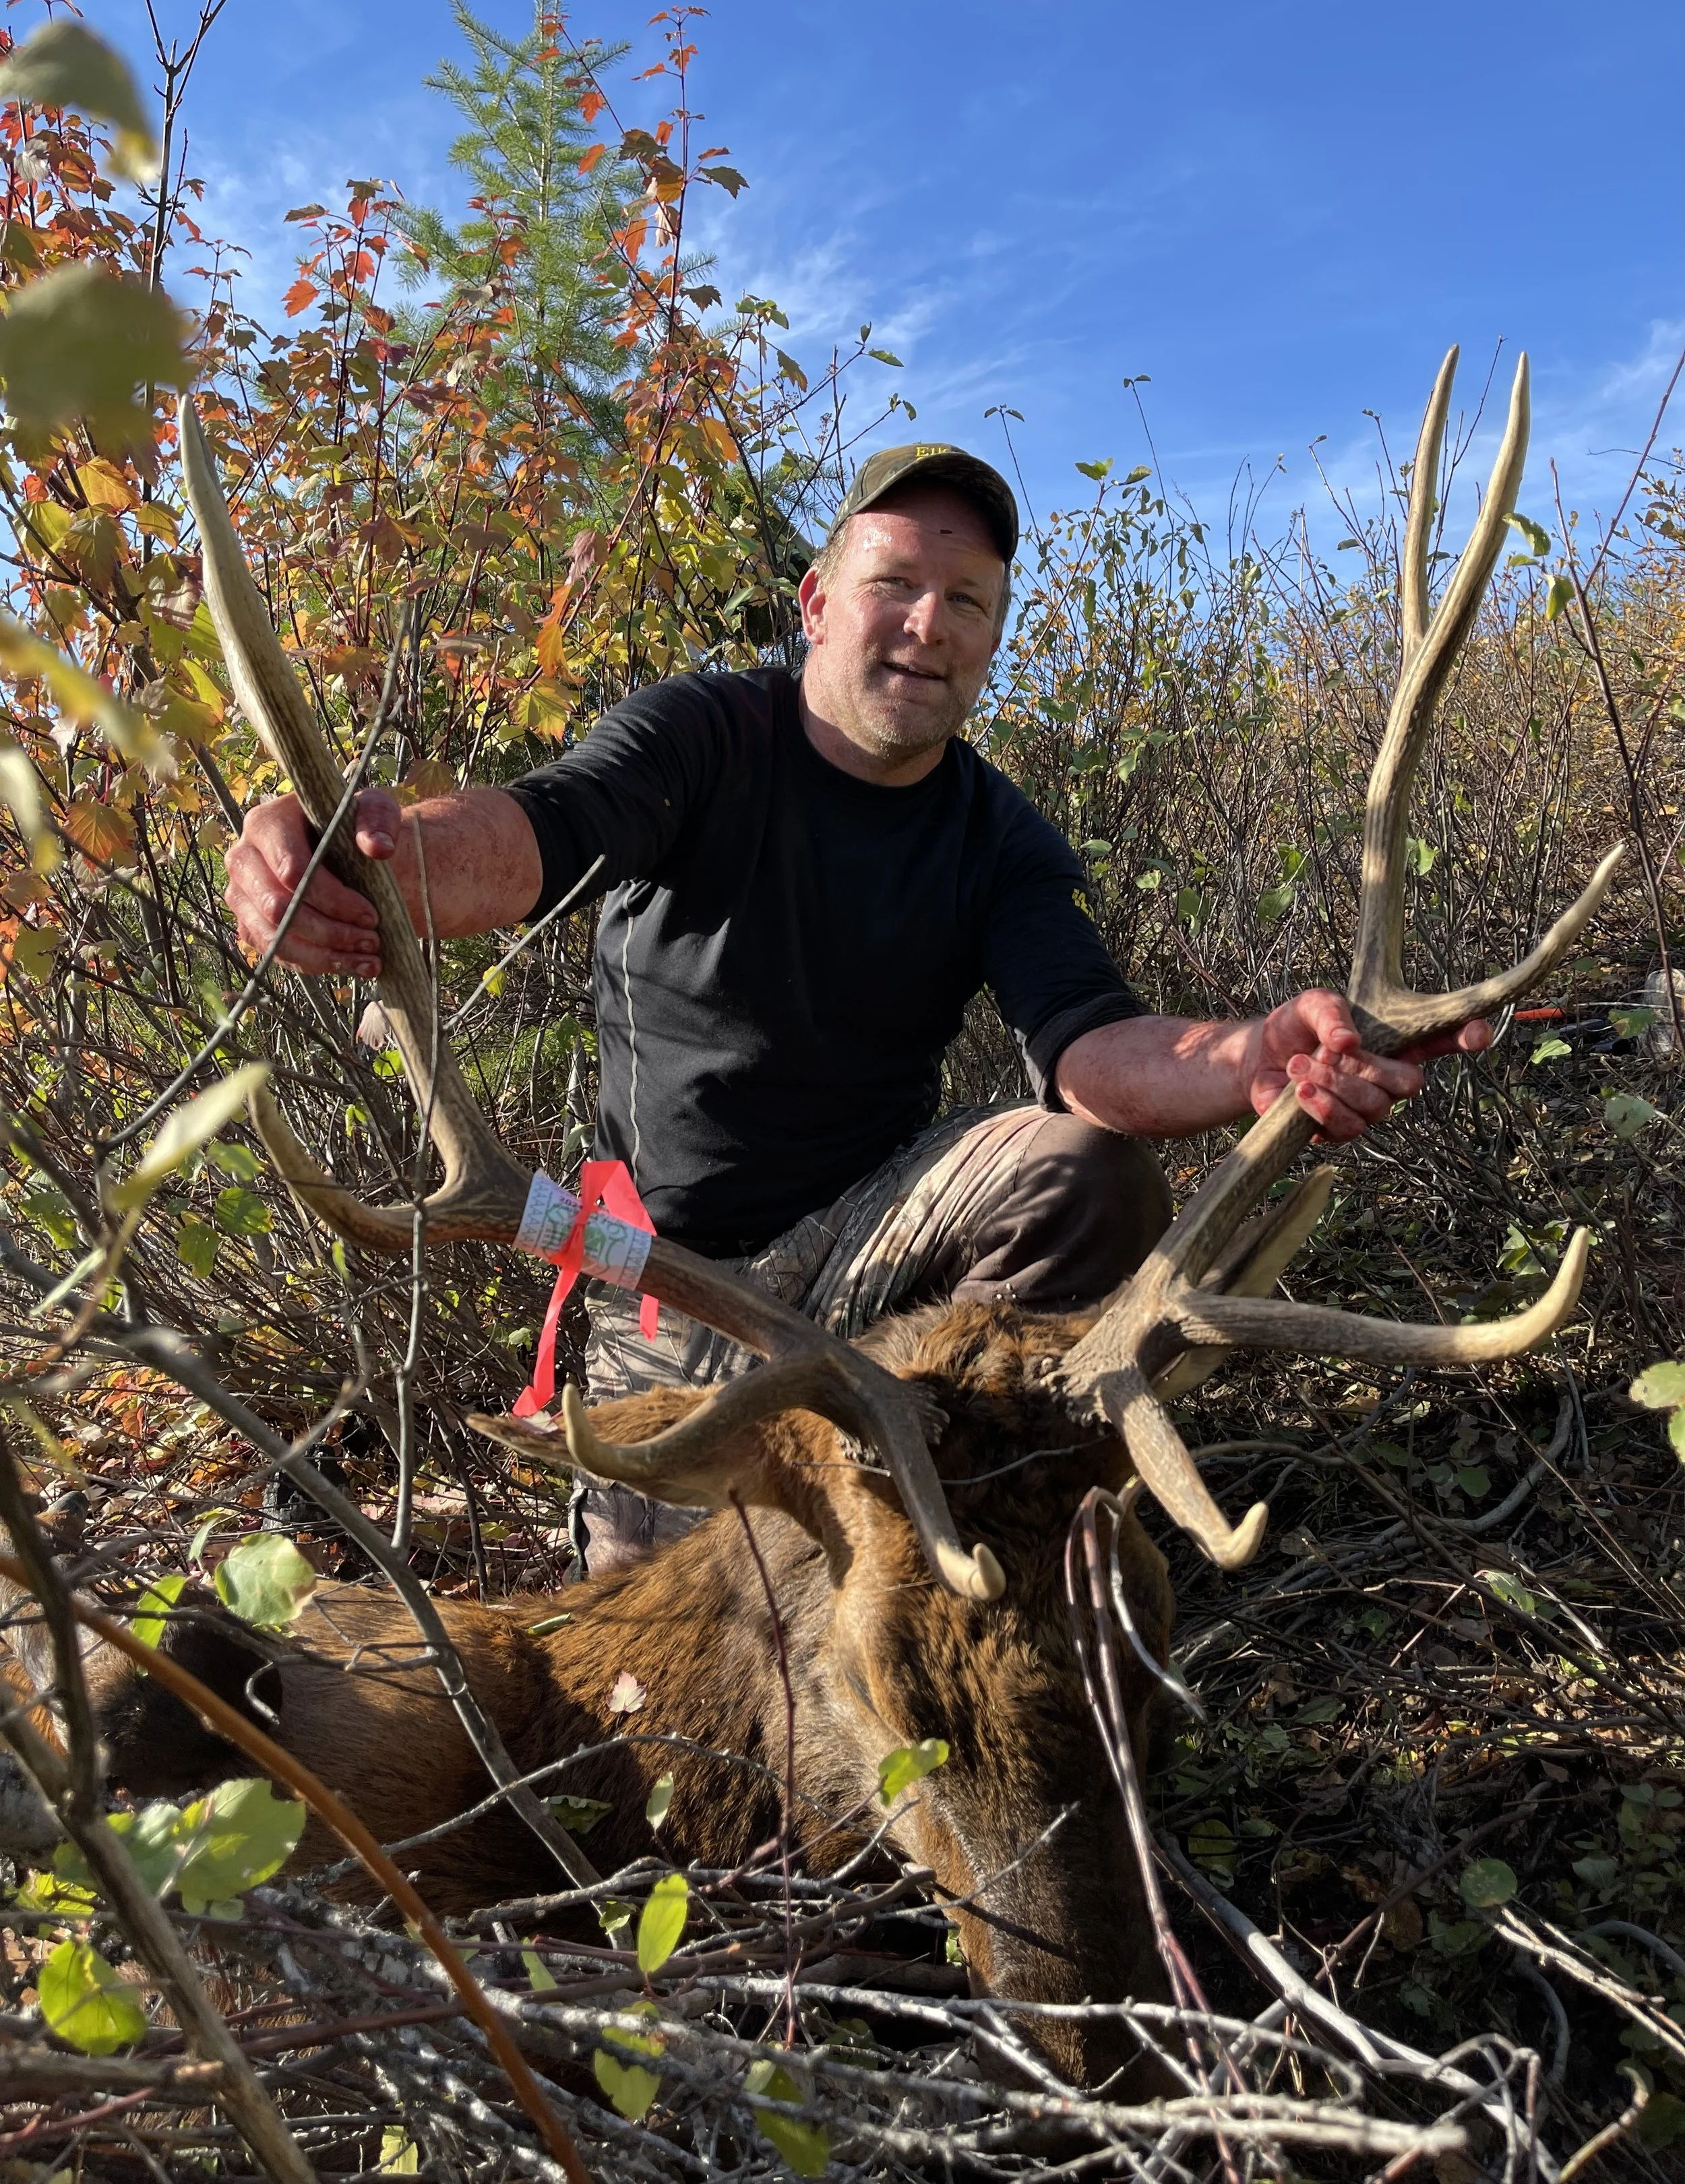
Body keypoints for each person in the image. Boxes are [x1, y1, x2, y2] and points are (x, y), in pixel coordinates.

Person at [226, 443, 1489, 1567]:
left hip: (877, 1263)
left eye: (967, 604)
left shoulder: (999, 839)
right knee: (675, 1685)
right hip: (661, 1264)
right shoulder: (706, 736)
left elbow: (1091, 1047)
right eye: (894, 585)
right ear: (819, 605)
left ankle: (988, 1514)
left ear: (992, 642)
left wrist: (1256, 1055)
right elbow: (535, 834)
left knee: (1085, 1173)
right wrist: (370, 859)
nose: (928, 625)